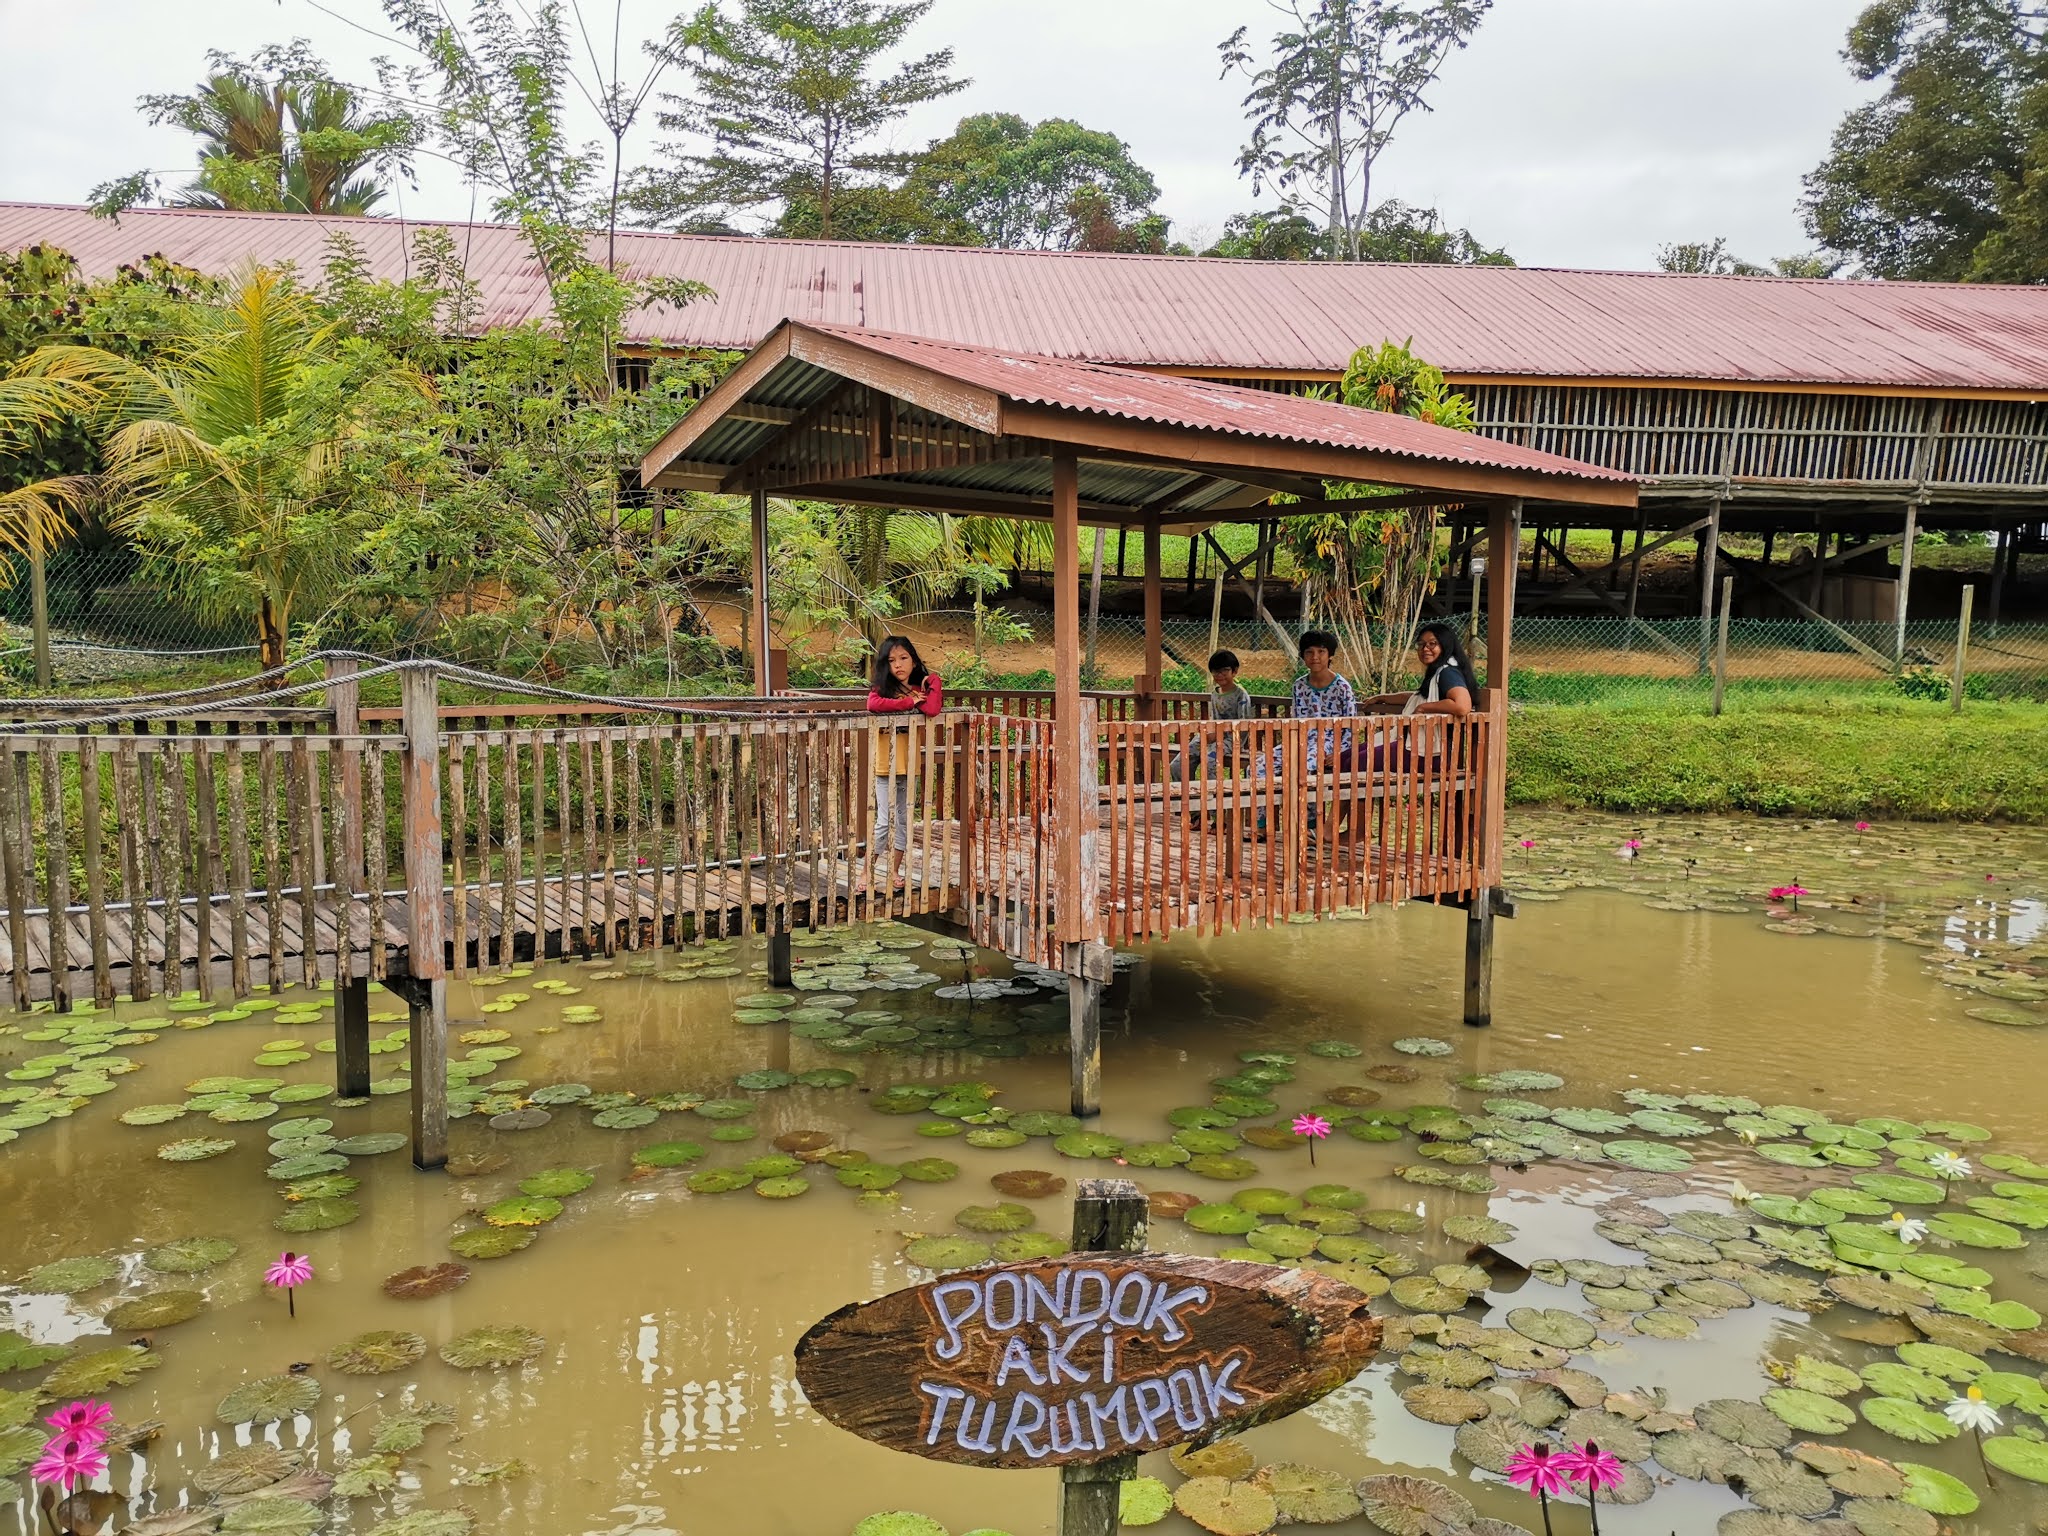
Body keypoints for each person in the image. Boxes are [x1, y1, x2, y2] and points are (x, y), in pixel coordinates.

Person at [865, 636, 943, 889]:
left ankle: (894, 871)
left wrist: (934, 682)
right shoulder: (883, 690)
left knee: (903, 820)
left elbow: (932, 709)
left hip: (908, 766)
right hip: (884, 767)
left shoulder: (919, 689)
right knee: (883, 821)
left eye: (903, 658)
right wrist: (908, 703)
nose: (898, 665)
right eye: (891, 660)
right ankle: (866, 872)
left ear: (914, 661)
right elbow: (873, 704)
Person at [1169, 648, 1256, 786]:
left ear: (1234, 671)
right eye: (1216, 671)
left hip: (1231, 739)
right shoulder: (1215, 694)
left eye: (1224, 671)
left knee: (1209, 760)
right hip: (1212, 735)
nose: (1220, 675)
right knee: (1178, 764)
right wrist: (1209, 732)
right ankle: (1186, 793)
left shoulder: (1241, 695)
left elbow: (1244, 725)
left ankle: (1214, 794)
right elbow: (1214, 718)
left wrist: (1231, 739)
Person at [1361, 623, 1476, 719]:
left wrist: (1423, 708)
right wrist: (1382, 698)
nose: (1425, 648)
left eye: (1432, 644)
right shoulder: (1438, 672)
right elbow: (1418, 698)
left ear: (1445, 646)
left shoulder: (1448, 672)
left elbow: (1462, 706)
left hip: (1433, 738)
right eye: (1421, 644)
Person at [1289, 629, 1358, 774]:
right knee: (1258, 766)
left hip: (1329, 744)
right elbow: (1296, 719)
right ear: (1303, 656)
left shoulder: (1342, 687)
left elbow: (1351, 726)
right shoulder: (1299, 686)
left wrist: (1340, 752)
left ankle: (1301, 790)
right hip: (1300, 742)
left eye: (1321, 651)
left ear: (1330, 655)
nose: (1315, 657)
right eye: (1309, 652)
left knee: (1302, 765)